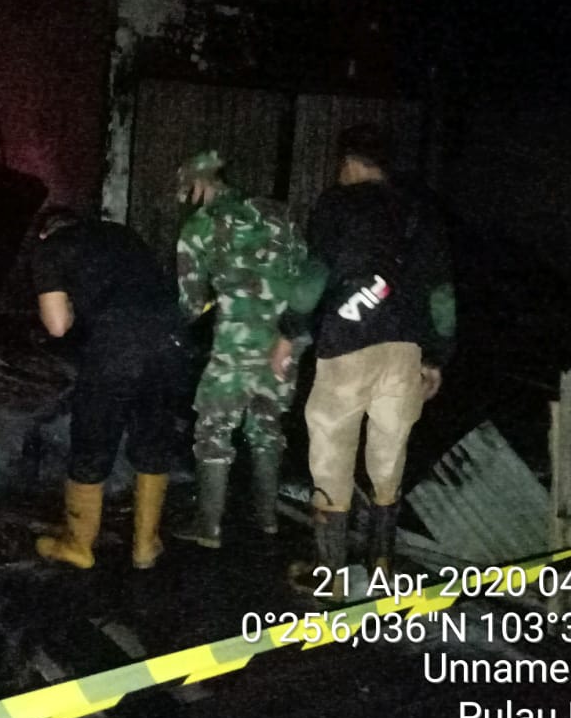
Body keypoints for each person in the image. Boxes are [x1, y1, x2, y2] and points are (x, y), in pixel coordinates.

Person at [271, 124, 456, 599]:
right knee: (387, 461)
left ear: (350, 162)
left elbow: (314, 275)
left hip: (348, 348)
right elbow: (440, 293)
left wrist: (290, 333)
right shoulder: (421, 211)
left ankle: (330, 575)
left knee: (331, 458)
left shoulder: (338, 204)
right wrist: (435, 358)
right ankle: (382, 569)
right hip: (406, 354)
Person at [30, 207, 185, 570]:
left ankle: (78, 546)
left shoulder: (50, 249)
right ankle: (146, 546)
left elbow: (57, 326)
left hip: (116, 346)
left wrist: (67, 302)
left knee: (93, 439)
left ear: (44, 233)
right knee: (152, 436)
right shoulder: (121, 234)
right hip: (170, 342)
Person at [173, 150, 309, 547]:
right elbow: (304, 273)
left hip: (235, 347)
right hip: (285, 343)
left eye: (187, 189)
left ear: (200, 183)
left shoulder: (199, 226)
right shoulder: (280, 213)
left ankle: (209, 527)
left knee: (213, 430)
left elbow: (191, 303)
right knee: (267, 427)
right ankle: (267, 520)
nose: (186, 197)